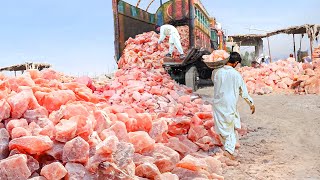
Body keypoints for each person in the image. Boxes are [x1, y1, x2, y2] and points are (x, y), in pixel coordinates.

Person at [212, 52, 255, 160]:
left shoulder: (216, 72)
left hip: (217, 104)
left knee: (222, 127)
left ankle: (227, 148)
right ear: (236, 63)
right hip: (229, 105)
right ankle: (228, 151)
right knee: (230, 129)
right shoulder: (236, 75)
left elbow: (215, 82)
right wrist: (251, 103)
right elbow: (243, 92)